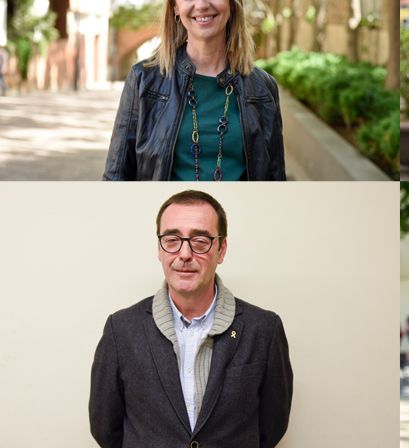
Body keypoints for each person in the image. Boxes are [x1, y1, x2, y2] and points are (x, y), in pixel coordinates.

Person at [90, 190, 293, 447]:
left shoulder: (264, 330)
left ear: (221, 249)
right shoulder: (121, 330)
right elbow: (105, 427)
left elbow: (272, 426)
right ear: (160, 249)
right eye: (172, 239)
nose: (185, 254)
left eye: (199, 241)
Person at [104, 0, 286, 180]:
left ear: (231, 0)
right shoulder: (143, 80)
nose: (201, 4)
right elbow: (116, 176)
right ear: (175, 7)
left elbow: (275, 180)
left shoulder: (262, 88)